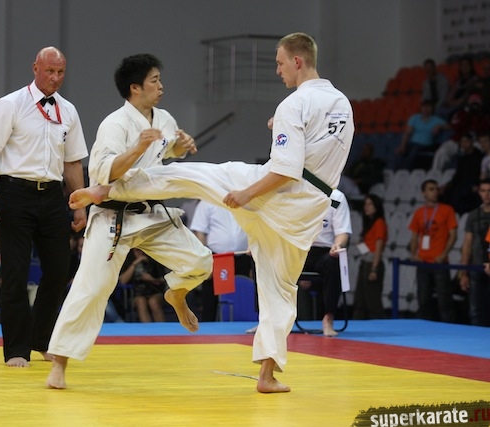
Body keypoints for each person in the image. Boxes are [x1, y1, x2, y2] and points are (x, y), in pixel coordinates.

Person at [65, 32, 354, 393]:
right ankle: (267, 375)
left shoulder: (293, 104)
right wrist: (279, 128)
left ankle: (107, 189)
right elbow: (318, 150)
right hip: (307, 211)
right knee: (281, 287)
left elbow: (286, 169)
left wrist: (246, 194)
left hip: (274, 193)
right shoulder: (341, 103)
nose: (278, 70)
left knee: (197, 176)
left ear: (297, 61)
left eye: (280, 63)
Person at [46, 53, 212, 388]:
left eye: (159, 80)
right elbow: (104, 172)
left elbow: (166, 150)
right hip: (113, 216)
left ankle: (177, 293)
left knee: (201, 261)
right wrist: (136, 149)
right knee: (91, 288)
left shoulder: (163, 118)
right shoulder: (115, 124)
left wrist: (181, 146)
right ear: (135, 88)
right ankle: (59, 363)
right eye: (154, 81)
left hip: (151, 213)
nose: (161, 86)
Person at [0, 46, 89, 367]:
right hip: (16, 194)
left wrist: (80, 204)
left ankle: (41, 339)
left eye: (60, 72)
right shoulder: (10, 104)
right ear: (35, 68)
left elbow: (72, 162)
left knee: (59, 270)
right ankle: (16, 349)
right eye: (50, 71)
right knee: (15, 272)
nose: (55, 78)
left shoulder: (68, 110)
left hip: (53, 195)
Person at [298, 189, 351, 335]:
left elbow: (343, 232)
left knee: (334, 262)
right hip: (297, 250)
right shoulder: (294, 192)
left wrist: (338, 245)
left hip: (324, 251)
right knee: (265, 258)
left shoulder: (336, 197)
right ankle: (266, 320)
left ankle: (328, 318)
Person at [190, 200, 253, 322]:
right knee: (212, 298)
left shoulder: (245, 200)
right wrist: (205, 261)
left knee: (244, 295)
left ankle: (244, 324)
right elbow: (200, 232)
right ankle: (209, 327)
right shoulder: (207, 202)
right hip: (217, 257)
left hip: (243, 256)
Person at [408, 179, 458, 323]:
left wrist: (443, 255)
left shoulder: (447, 210)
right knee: (423, 299)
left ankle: (448, 328)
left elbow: (453, 235)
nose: (435, 192)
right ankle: (424, 329)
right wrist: (414, 254)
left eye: (436, 189)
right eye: (431, 189)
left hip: (439, 262)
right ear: (423, 193)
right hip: (423, 262)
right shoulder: (419, 212)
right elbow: (414, 236)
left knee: (444, 300)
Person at [431, 93, 490, 173]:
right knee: (442, 151)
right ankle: (435, 173)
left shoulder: (484, 117)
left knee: (485, 149)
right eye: (473, 103)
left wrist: (478, 117)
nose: (474, 106)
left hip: (475, 142)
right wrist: (468, 115)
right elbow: (456, 126)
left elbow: (484, 131)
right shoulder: (461, 113)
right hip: (458, 140)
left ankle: (482, 172)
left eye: (476, 104)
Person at [459, 179, 490, 326]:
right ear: (479, 193)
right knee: (476, 310)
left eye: (489, 191)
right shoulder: (473, 215)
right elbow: (467, 245)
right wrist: (464, 273)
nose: (487, 194)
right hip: (476, 267)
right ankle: (477, 338)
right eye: (483, 191)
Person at [352, 194, 387, 320]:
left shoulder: (379, 223)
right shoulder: (370, 223)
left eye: (370, 204)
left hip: (372, 263)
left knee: (372, 301)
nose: (366, 207)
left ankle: (377, 325)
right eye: (365, 204)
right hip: (366, 262)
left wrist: (374, 269)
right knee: (360, 299)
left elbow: (378, 249)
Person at [394, 100, 449, 170]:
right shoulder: (415, 118)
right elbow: (407, 133)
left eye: (428, 107)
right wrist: (402, 146)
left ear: (432, 109)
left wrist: (440, 126)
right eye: (424, 107)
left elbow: (449, 126)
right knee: (399, 152)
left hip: (426, 144)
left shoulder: (436, 120)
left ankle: (408, 172)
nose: (426, 109)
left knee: (413, 153)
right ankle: (396, 172)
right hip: (413, 143)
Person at [119, 248, 167, 323]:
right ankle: (147, 329)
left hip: (155, 291)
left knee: (153, 302)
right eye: (137, 251)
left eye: (142, 250)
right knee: (141, 301)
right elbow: (123, 281)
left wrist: (151, 279)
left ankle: (162, 328)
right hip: (136, 294)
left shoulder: (153, 260)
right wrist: (135, 263)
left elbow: (164, 279)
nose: (140, 253)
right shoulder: (128, 261)